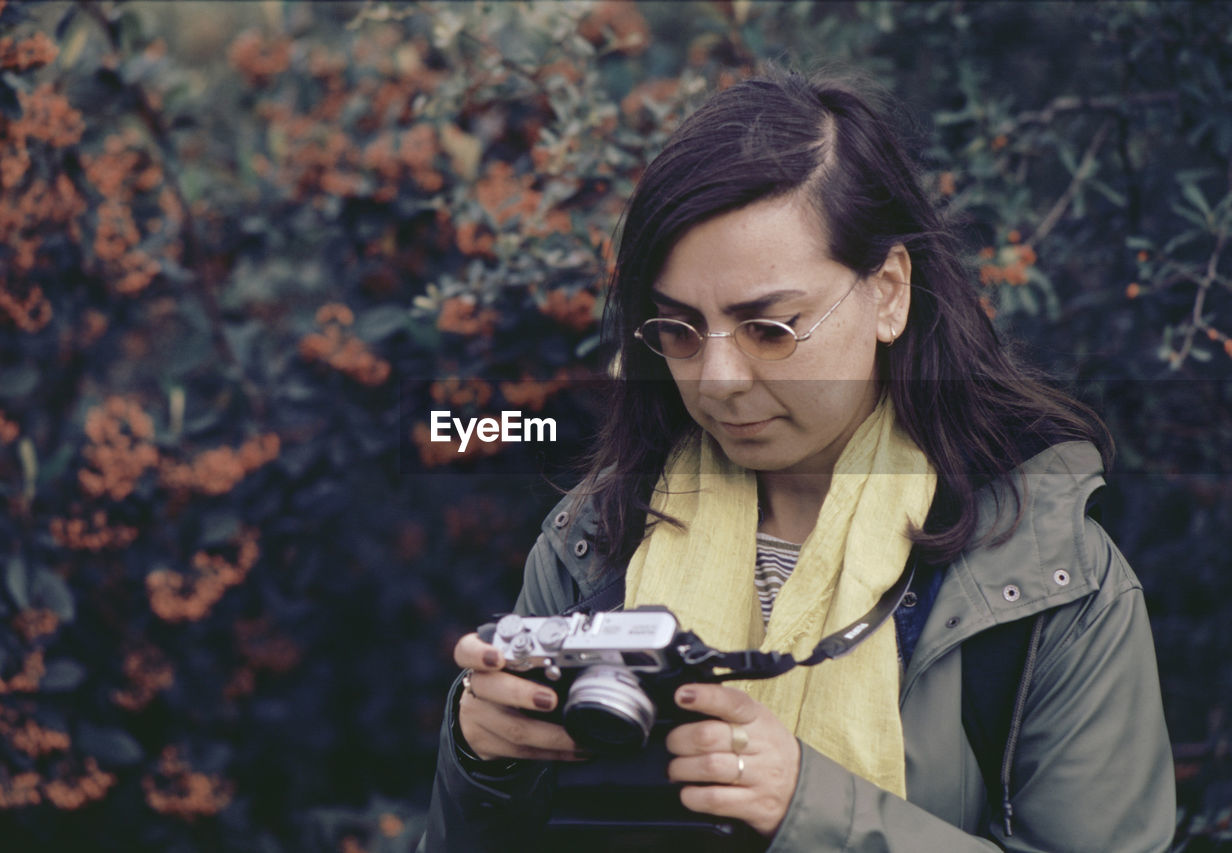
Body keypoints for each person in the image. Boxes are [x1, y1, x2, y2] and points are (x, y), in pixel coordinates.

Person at [419, 66, 1175, 851]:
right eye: (677, 330)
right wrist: (482, 757)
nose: (717, 380)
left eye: (770, 328)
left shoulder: (1046, 575)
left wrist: (811, 808)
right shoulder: (594, 541)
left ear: (887, 292)